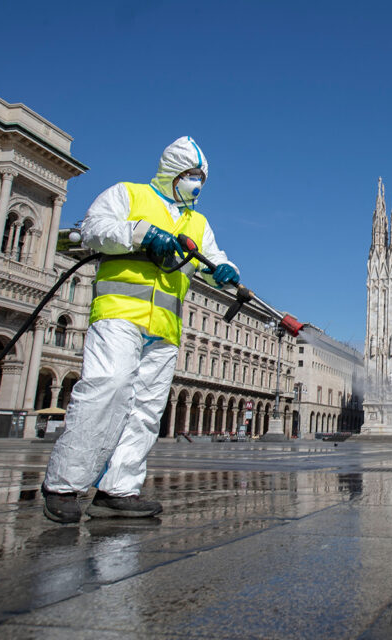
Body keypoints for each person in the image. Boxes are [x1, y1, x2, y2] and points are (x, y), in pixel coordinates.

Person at [41, 136, 240, 523]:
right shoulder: (127, 195)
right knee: (107, 389)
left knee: (147, 408)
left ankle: (118, 490)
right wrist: (140, 235)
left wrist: (225, 273)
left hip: (165, 326)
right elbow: (93, 229)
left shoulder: (197, 222)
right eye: (190, 175)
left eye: (201, 177)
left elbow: (213, 260)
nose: (196, 183)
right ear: (172, 172)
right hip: (119, 313)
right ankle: (64, 483)